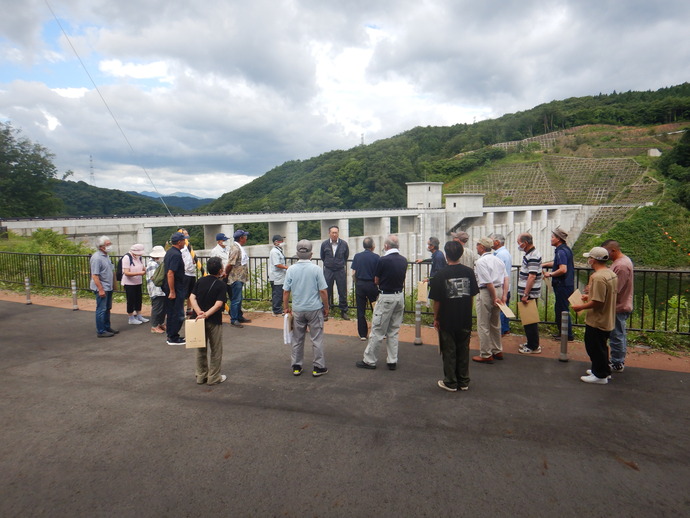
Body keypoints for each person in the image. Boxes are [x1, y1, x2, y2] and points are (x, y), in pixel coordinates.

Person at [429, 240, 479, 392]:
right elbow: (471, 296)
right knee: (463, 349)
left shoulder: (440, 275)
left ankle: (450, 381)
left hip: (447, 318)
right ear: (461, 254)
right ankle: (463, 381)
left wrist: (436, 318)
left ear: (446, 255)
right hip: (464, 317)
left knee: (449, 350)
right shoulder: (469, 272)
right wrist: (467, 312)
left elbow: (437, 301)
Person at [356, 235, 408, 370]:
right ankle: (392, 360)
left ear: (386, 246)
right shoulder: (403, 260)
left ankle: (369, 360)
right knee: (393, 330)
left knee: (378, 329)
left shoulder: (383, 260)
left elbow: (376, 280)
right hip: (399, 296)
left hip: (386, 297)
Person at [283, 240, 330, 377]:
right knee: (317, 338)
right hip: (314, 309)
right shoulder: (316, 269)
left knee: (297, 338)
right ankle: (318, 367)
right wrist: (326, 307)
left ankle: (296, 366)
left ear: (297, 254)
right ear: (311, 254)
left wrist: (286, 307)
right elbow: (323, 291)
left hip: (298, 309)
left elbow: (286, 291)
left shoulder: (291, 269)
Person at [572, 247, 618, 385]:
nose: (588, 260)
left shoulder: (598, 277)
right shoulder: (610, 273)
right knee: (602, 346)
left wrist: (580, 306)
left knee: (594, 346)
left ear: (593, 260)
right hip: (608, 318)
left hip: (598, 319)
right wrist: (589, 296)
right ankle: (602, 369)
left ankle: (600, 375)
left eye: (589, 258)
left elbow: (598, 302)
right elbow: (603, 295)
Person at [189, 256, 228, 386]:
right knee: (216, 349)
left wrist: (199, 312)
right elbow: (218, 305)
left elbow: (192, 297)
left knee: (200, 348)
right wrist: (206, 314)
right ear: (220, 270)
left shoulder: (200, 280)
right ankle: (214, 376)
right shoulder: (221, 285)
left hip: (197, 319)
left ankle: (201, 376)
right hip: (213, 320)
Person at [472, 237, 509, 364]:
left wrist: (494, 298)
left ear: (482, 247)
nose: (476, 247)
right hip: (499, 289)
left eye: (477, 245)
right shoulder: (498, 260)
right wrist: (503, 296)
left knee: (483, 323)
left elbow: (488, 282)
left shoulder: (481, 262)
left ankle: (486, 353)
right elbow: (506, 278)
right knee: (495, 322)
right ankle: (497, 349)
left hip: (487, 292)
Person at [601, 239, 634, 372]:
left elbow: (615, 289)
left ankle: (617, 363)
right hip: (618, 305)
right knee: (617, 334)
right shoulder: (620, 262)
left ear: (613, 250)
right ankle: (616, 360)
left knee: (617, 335)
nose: (605, 255)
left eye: (606, 252)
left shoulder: (621, 266)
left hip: (619, 306)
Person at [543, 227, 574, 341]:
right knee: (561, 309)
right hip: (567, 284)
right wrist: (544, 264)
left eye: (552, 237)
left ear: (558, 239)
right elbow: (557, 262)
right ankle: (563, 333)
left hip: (562, 285)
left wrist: (550, 274)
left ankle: (567, 335)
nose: (551, 239)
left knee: (562, 309)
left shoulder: (561, 251)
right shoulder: (565, 249)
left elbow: (563, 269)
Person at [516, 233, 543, 354]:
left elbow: (531, 276)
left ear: (525, 243)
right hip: (529, 293)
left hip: (529, 294)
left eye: (519, 243)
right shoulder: (531, 254)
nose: (518, 245)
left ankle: (533, 346)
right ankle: (531, 342)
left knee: (530, 320)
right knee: (528, 320)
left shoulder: (533, 255)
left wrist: (526, 294)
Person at [351, 237, 380, 340]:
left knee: (361, 310)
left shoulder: (357, 256)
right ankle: (378, 332)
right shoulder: (376, 257)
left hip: (360, 285)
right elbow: (378, 275)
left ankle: (363, 334)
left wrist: (357, 283)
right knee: (376, 309)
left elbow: (353, 273)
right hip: (372, 285)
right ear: (373, 246)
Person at [90, 235, 118, 338]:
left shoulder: (106, 256)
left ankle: (107, 327)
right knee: (101, 309)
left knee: (107, 308)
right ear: (101, 246)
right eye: (107, 244)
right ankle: (101, 331)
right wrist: (100, 289)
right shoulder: (97, 258)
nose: (110, 246)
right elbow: (95, 275)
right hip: (102, 287)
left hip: (108, 286)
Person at [320, 225, 350, 320]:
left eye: (336, 232)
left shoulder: (344, 244)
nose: (334, 234)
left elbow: (346, 256)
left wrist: (339, 263)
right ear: (329, 233)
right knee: (326, 291)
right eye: (332, 232)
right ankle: (325, 311)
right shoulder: (324, 244)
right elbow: (322, 256)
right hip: (328, 270)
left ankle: (343, 311)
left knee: (342, 291)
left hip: (340, 270)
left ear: (338, 233)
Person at [163, 231, 187, 345]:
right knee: (177, 312)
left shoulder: (170, 252)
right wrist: (172, 291)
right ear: (179, 242)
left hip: (171, 287)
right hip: (175, 288)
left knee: (172, 311)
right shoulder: (176, 254)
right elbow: (170, 273)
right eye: (183, 240)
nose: (185, 241)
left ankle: (171, 335)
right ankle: (173, 337)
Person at [226, 229, 252, 328]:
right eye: (245, 236)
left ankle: (239, 316)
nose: (246, 238)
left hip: (240, 277)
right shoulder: (236, 249)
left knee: (239, 298)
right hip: (235, 277)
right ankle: (234, 319)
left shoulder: (238, 247)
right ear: (241, 238)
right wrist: (225, 273)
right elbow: (230, 263)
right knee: (236, 299)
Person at [121, 243, 149, 325]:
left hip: (138, 281)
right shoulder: (127, 258)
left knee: (138, 299)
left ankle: (139, 315)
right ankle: (131, 317)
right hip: (129, 283)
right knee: (131, 300)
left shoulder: (139, 258)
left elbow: (143, 267)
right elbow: (126, 272)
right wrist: (140, 273)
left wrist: (147, 270)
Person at [491, 234, 513, 336]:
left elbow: (497, 273)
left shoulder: (499, 255)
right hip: (506, 286)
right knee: (505, 309)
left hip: (501, 286)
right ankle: (505, 329)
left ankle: (499, 332)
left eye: (492, 241)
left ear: (497, 242)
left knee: (499, 311)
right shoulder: (505, 253)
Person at [145, 245, 167, 334]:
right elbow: (155, 278)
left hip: (160, 290)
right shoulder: (152, 264)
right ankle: (154, 326)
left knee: (162, 308)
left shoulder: (157, 263)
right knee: (157, 308)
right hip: (156, 290)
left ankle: (160, 323)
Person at [178, 229, 200, 316]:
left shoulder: (189, 246)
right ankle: (180, 311)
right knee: (183, 293)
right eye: (185, 234)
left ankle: (189, 309)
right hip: (185, 273)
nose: (187, 236)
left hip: (192, 272)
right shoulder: (181, 248)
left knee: (191, 293)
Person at [268, 235, 289, 316]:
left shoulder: (278, 250)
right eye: (281, 241)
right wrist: (286, 267)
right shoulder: (274, 252)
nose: (282, 242)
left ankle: (278, 309)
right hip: (276, 276)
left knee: (279, 292)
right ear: (276, 242)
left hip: (280, 276)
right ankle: (276, 310)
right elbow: (277, 264)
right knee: (277, 293)